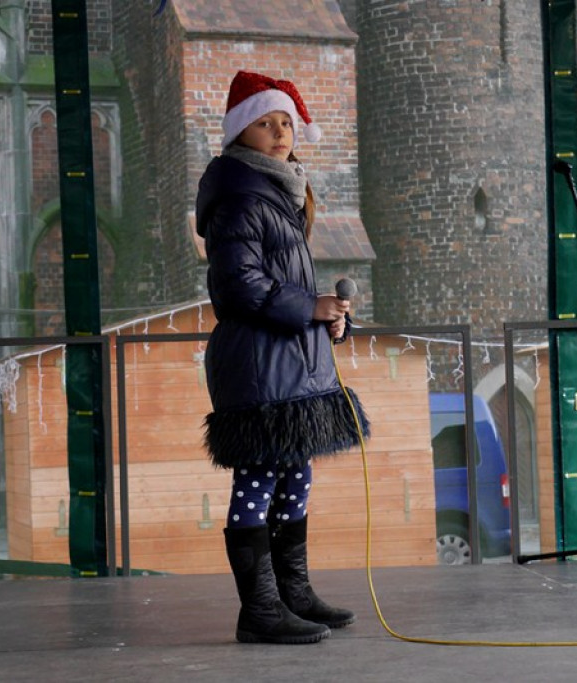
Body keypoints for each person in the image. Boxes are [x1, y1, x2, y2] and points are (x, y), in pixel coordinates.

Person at [195, 70, 370, 645]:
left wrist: (328, 318)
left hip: (290, 357)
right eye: (265, 123)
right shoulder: (240, 195)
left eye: (285, 122)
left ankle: (293, 594)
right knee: (260, 478)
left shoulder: (280, 192)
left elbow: (282, 283)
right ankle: (260, 610)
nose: (279, 132)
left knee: (296, 475)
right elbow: (238, 285)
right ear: (240, 133)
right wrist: (308, 308)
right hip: (256, 361)